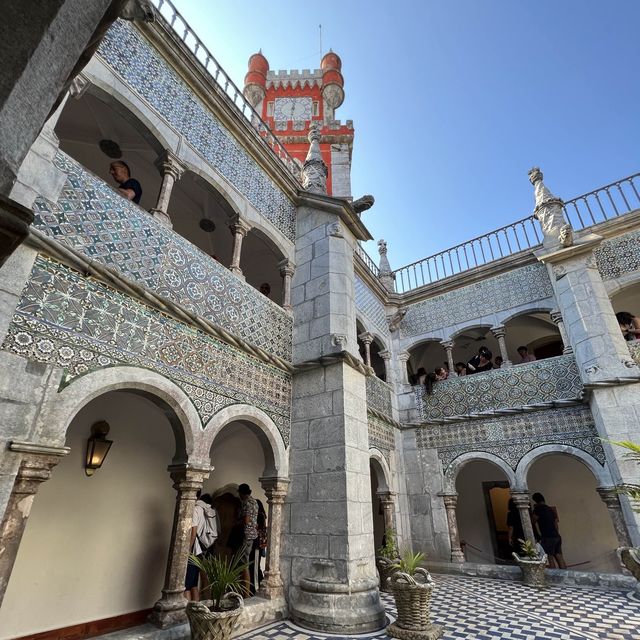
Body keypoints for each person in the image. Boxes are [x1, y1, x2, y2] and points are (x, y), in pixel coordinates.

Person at [184, 492, 219, 601]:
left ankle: (186, 613)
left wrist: (187, 551)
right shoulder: (211, 511)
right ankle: (196, 610)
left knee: (186, 586)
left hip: (194, 549)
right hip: (202, 549)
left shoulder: (195, 509)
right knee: (194, 583)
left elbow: (193, 533)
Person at [531, 492, 566, 569]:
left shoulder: (538, 509)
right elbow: (556, 523)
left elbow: (532, 521)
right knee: (559, 556)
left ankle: (553, 578)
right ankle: (565, 575)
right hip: (556, 536)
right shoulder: (550, 509)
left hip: (547, 537)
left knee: (549, 558)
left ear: (535, 501)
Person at [238, 483, 259, 596]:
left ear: (241, 493)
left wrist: (236, 522)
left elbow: (246, 520)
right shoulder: (255, 502)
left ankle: (245, 593)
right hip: (253, 535)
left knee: (243, 563)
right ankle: (246, 590)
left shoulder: (246, 502)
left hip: (247, 535)